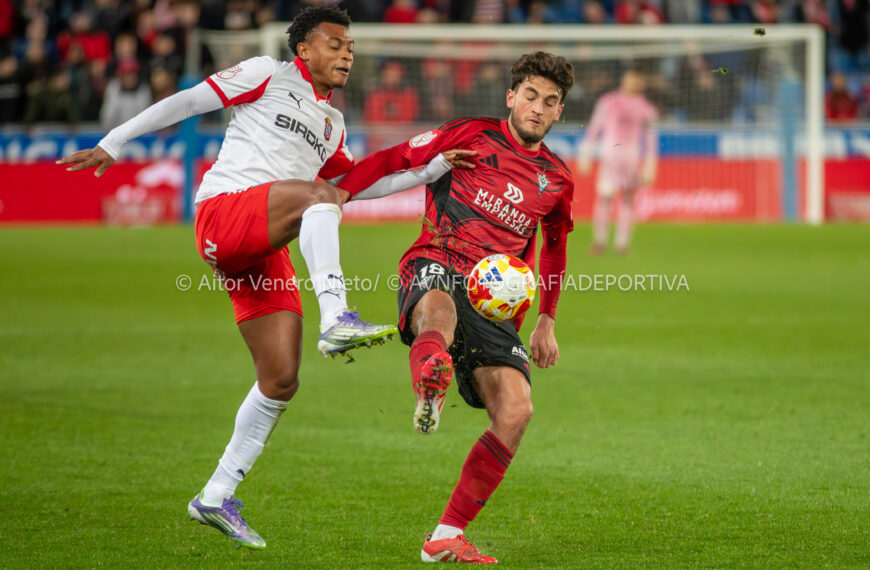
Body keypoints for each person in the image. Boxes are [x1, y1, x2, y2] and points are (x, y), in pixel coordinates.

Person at [56, 6, 462, 550]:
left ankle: (216, 495)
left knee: (280, 378)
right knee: (317, 199)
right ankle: (336, 315)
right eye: (335, 43)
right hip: (223, 215)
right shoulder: (267, 73)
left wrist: (430, 171)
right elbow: (187, 101)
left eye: (351, 47)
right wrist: (117, 138)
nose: (347, 54)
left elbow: (349, 188)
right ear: (304, 49)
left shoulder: (332, 123)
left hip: (262, 245)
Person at [339, 51, 574, 564]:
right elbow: (395, 158)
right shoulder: (469, 134)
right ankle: (432, 373)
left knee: (517, 409)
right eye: (530, 96)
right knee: (438, 313)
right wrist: (335, 192)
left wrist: (547, 321)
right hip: (438, 260)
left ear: (558, 113)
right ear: (511, 97)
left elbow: (555, 247)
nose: (537, 108)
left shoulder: (556, 179)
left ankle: (445, 535)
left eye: (549, 102)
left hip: (494, 306)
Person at [578, 68, 657, 255]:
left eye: (637, 80)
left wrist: (650, 164)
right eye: (630, 79)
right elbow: (595, 127)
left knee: (628, 198)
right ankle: (600, 241)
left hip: (631, 156)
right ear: (624, 80)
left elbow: (651, 138)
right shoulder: (608, 101)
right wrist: (586, 152)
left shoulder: (646, 108)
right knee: (605, 196)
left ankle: (622, 243)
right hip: (610, 154)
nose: (633, 83)